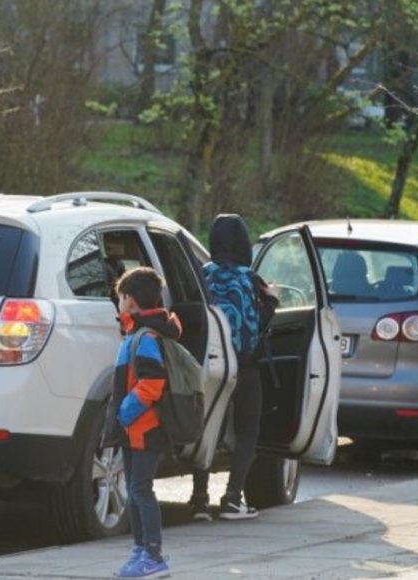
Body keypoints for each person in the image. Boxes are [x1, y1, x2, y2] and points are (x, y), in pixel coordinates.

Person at [189, 214, 270, 522]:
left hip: (210, 362)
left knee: (209, 425)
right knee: (248, 430)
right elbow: (258, 324)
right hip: (244, 366)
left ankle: (199, 501)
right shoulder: (250, 278)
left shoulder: (202, 274)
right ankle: (233, 498)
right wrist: (272, 301)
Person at [103, 267, 181, 579]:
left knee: (140, 489)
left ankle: (153, 554)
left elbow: (151, 384)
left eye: (120, 297)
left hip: (144, 428)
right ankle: (140, 550)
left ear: (131, 302)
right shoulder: (136, 333)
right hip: (136, 429)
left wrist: (124, 413)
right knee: (135, 490)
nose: (117, 302)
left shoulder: (145, 337)